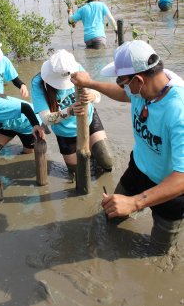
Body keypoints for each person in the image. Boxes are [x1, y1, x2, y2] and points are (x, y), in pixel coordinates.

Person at [71, 40, 184, 254]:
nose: (122, 85)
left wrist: (134, 203)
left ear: (139, 79)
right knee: (112, 213)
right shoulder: (145, 86)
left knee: (157, 252)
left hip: (171, 191)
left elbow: (182, 177)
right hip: (138, 169)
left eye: (122, 80)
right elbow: (124, 94)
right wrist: (91, 83)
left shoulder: (179, 111)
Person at [30, 49, 113, 182]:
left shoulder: (76, 68)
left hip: (89, 119)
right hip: (65, 132)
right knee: (81, 175)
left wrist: (92, 96)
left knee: (106, 160)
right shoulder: (38, 83)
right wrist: (69, 111)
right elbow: (46, 118)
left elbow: (96, 93)